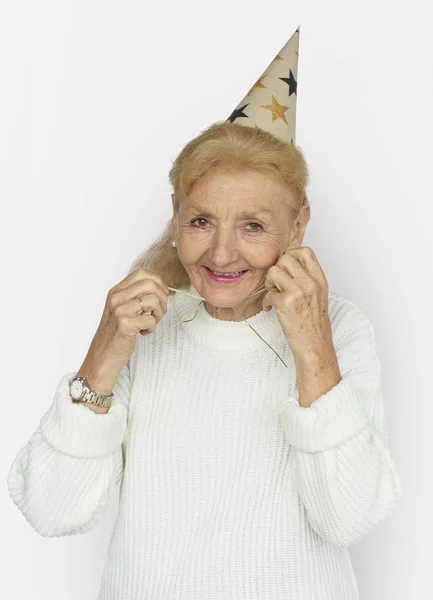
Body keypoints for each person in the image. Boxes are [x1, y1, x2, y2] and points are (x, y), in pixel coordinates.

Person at [7, 27, 402, 600]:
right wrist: (103, 356)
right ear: (175, 217)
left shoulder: (342, 328)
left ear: (297, 226)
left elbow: (349, 517)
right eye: (201, 222)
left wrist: (313, 345)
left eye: (252, 226)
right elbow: (50, 510)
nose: (220, 254)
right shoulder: (146, 327)